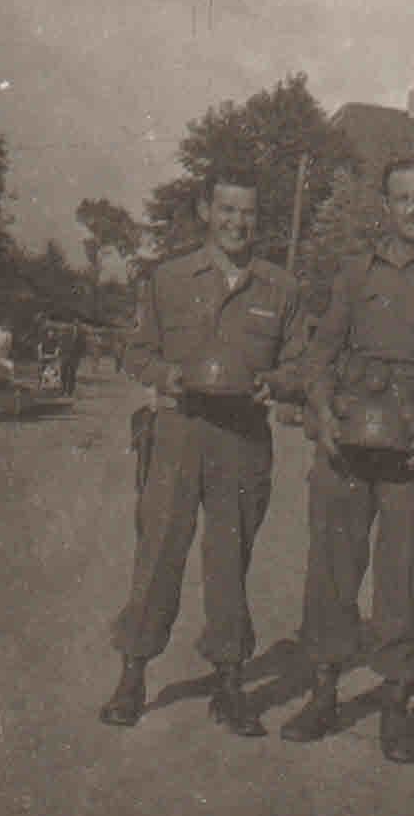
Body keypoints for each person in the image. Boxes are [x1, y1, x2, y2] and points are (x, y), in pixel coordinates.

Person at [284, 156, 414, 763]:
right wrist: (323, 413)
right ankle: (322, 694)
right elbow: (318, 357)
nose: (412, 209)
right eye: (402, 198)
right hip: (348, 448)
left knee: (405, 580)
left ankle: (397, 708)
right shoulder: (355, 274)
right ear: (386, 206)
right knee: (331, 571)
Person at [101, 167, 305, 733]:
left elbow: (300, 365)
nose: (238, 222)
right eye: (227, 210)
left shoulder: (281, 288)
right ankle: (132, 675)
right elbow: (136, 351)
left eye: (249, 213)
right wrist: (165, 376)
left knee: (229, 562)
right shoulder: (168, 279)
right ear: (205, 212)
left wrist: (276, 384)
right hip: (179, 432)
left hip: (241, 439)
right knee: (158, 553)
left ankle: (230, 684)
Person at [60, 320, 83, 397]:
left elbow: (83, 345)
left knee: (72, 374)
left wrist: (79, 356)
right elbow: (62, 341)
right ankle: (63, 390)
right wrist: (62, 352)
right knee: (63, 373)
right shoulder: (66, 330)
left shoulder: (81, 333)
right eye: (75, 322)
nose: (76, 324)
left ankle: (70, 391)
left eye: (78, 322)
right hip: (65, 355)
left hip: (74, 357)